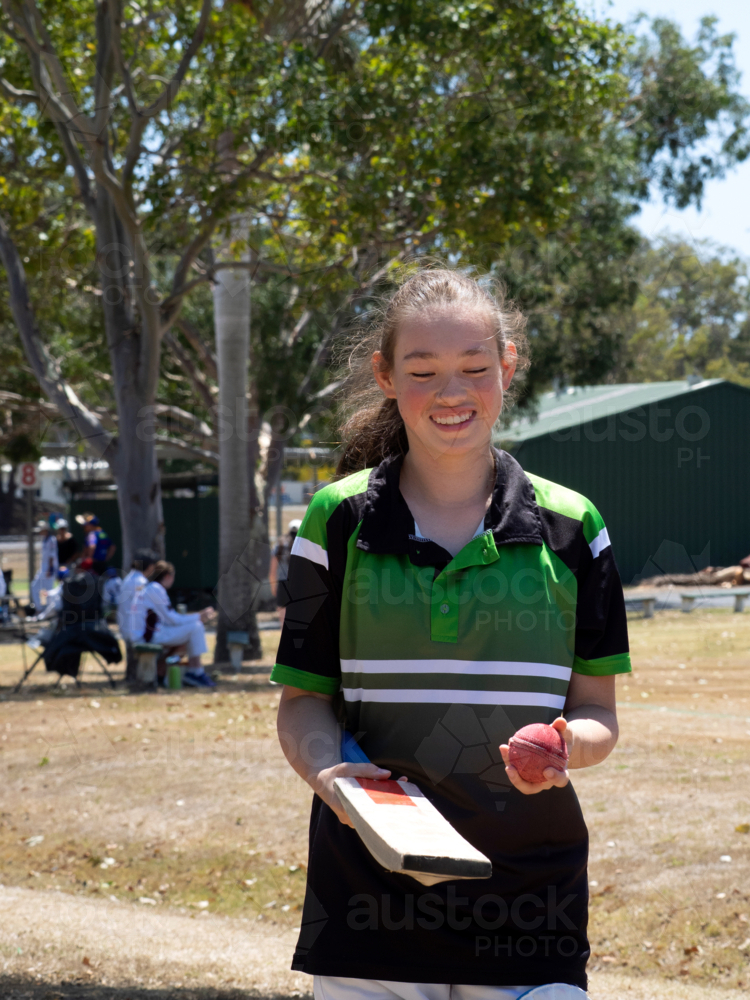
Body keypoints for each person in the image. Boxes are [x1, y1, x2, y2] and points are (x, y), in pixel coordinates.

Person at [272, 269, 631, 999]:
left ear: (508, 367)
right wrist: (331, 777)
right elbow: (303, 703)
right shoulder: (337, 522)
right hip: (368, 896)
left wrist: (566, 747)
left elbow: (599, 713)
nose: (451, 392)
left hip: (531, 899)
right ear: (385, 376)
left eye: (474, 368)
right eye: (423, 371)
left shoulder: (573, 527)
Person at [133, 560, 216, 687]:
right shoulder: (156, 589)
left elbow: (169, 619)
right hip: (147, 635)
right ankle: (196, 672)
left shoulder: (151, 588)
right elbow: (172, 619)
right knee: (196, 627)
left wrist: (196, 617)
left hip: (147, 633)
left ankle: (163, 673)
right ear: (167, 576)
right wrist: (198, 616)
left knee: (186, 639)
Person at [117, 548, 157, 686]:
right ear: (150, 566)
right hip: (134, 629)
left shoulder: (129, 579)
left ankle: (133, 677)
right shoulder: (140, 582)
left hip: (126, 627)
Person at [269, 519, 302, 627]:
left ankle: (284, 642)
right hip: (298, 584)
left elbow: (272, 571)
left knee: (283, 619)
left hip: (283, 584)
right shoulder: (303, 545)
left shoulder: (280, 546)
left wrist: (273, 587)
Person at [30, 517, 58, 612]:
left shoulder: (51, 540)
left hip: (49, 569)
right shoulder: (44, 540)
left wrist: (50, 569)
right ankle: (39, 609)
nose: (40, 532)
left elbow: (52, 556)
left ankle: (50, 611)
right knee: (34, 586)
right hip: (43, 568)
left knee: (49, 591)